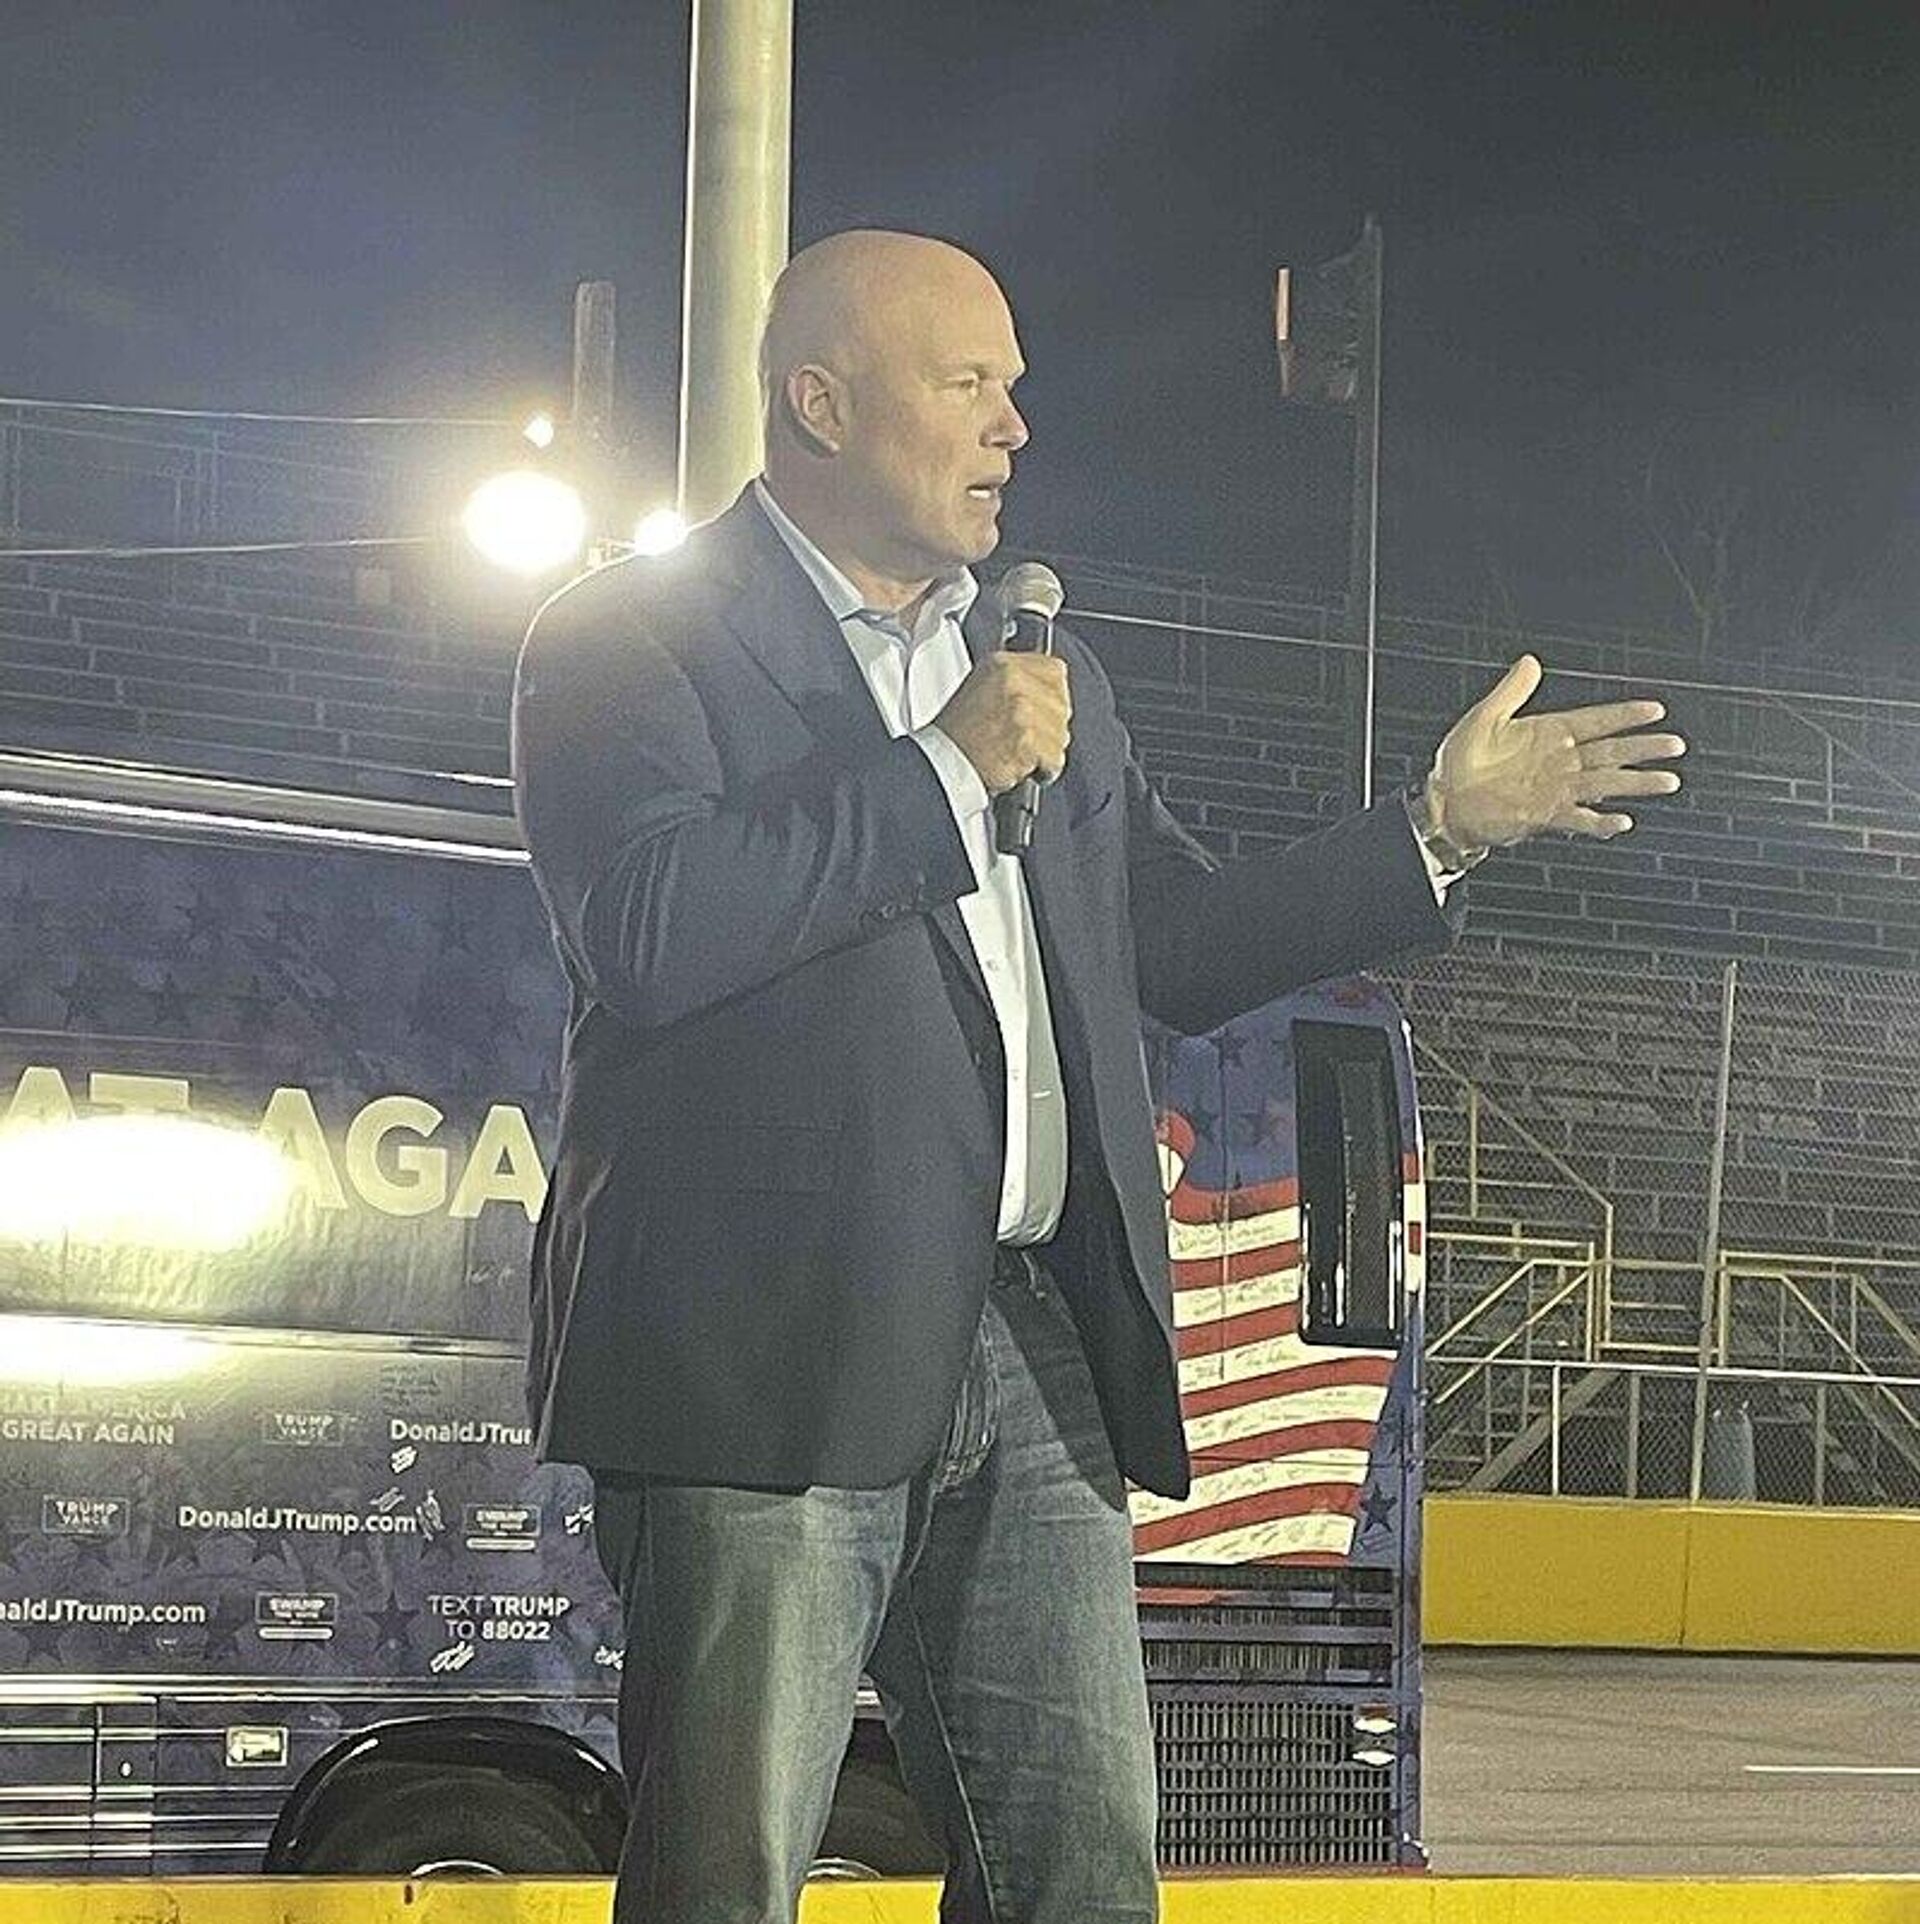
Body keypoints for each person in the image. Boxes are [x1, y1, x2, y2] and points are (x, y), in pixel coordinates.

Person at [510, 228, 1685, 1923]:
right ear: (820, 404)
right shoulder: (632, 634)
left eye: (1016, 388)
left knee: (1080, 1866)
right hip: (764, 1354)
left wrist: (1435, 832)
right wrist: (943, 773)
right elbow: (647, 929)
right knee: (725, 1875)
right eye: (967, 384)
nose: (1014, 428)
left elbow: (1176, 947)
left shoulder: (1046, 680)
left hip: (1034, 1344)